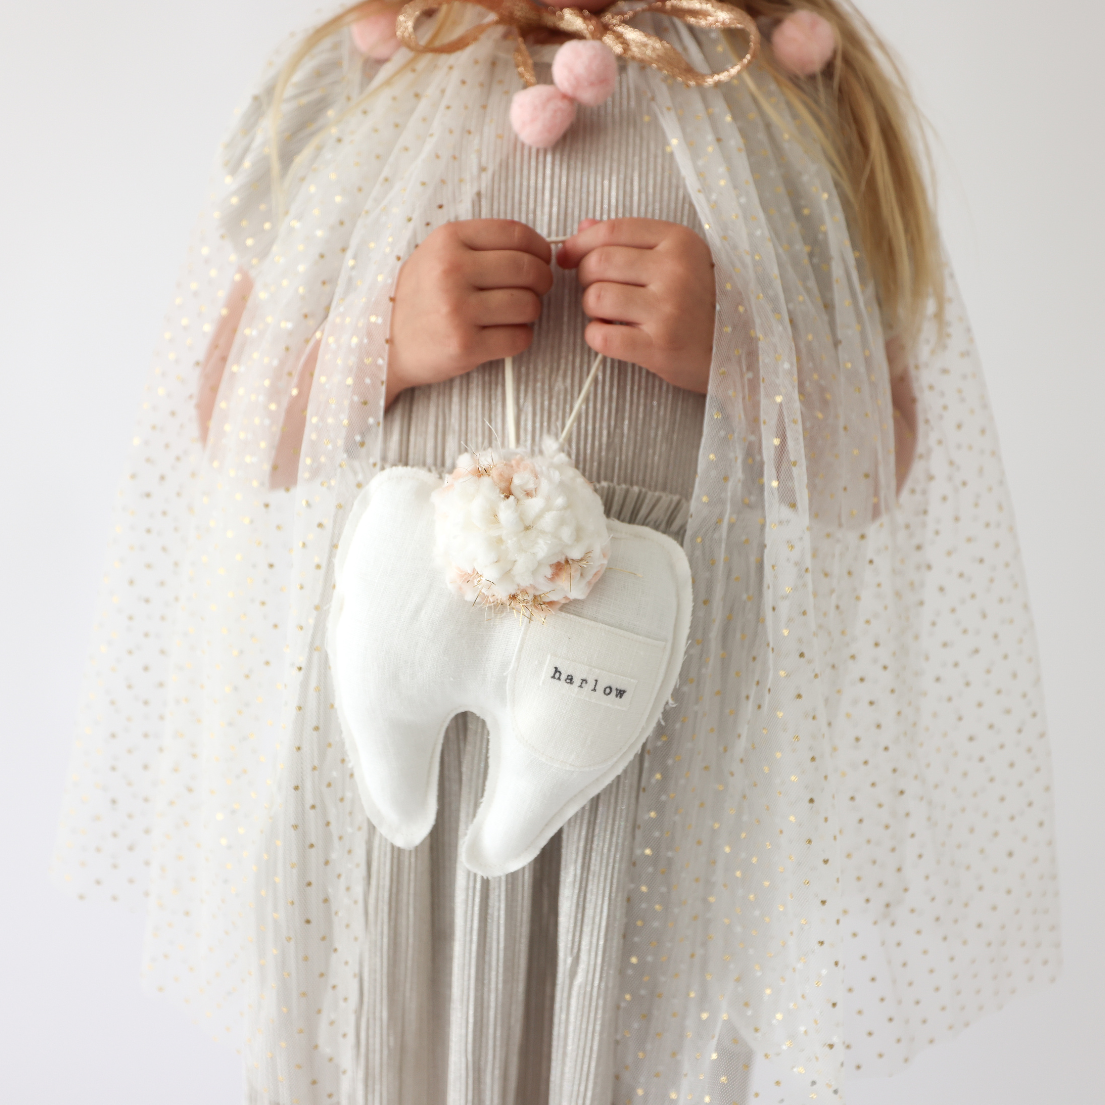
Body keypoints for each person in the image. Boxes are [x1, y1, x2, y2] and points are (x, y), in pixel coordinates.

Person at [54, 1, 1060, 1102]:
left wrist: (739, 354)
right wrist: (381, 342)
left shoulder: (773, 86)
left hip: (653, 724)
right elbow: (237, 418)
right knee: (379, 1029)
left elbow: (873, 463)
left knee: (611, 1035)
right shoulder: (379, 66)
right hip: (381, 707)